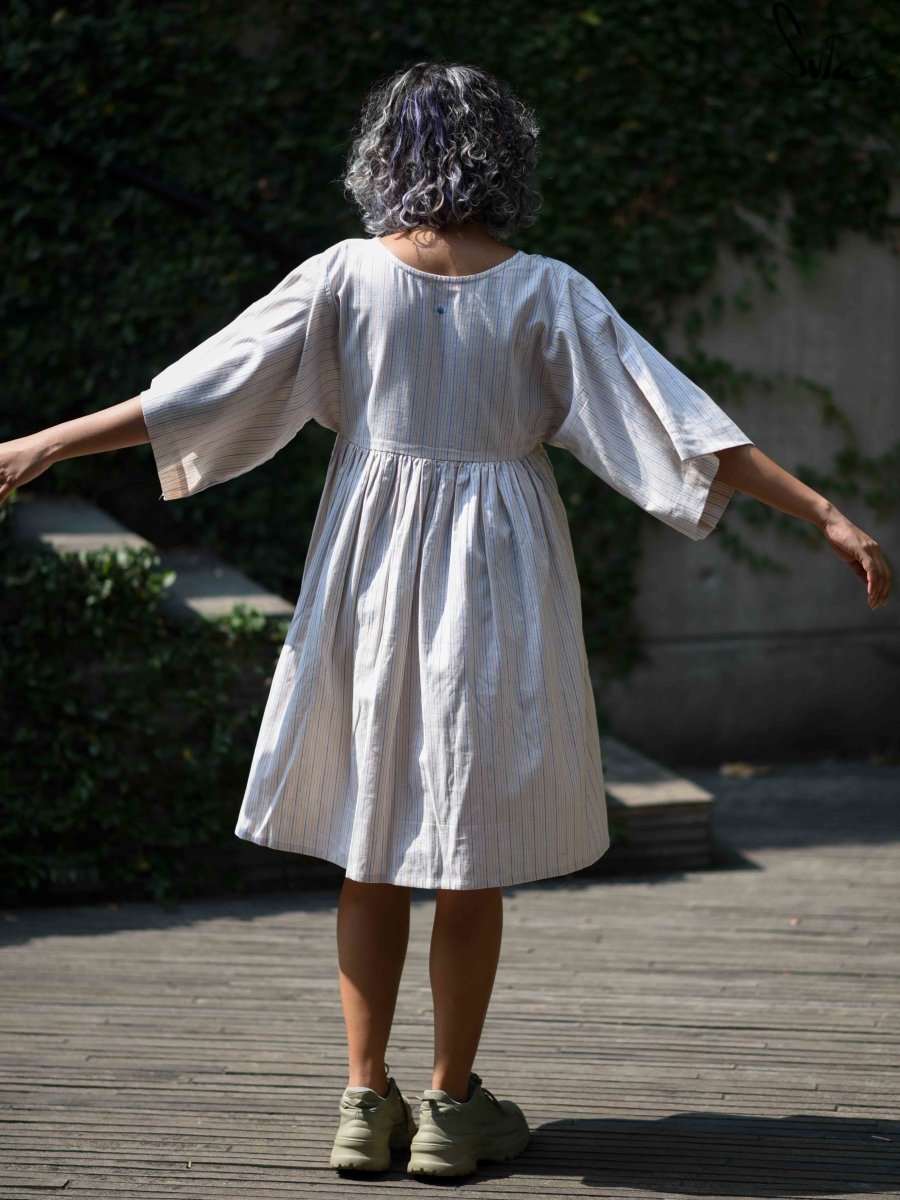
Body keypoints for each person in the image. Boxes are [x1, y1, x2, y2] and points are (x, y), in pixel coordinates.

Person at [0, 59, 892, 1180]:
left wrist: (41, 443)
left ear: (389, 156)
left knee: (372, 841)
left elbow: (197, 392)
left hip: (373, 566)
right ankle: (450, 1107)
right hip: (500, 569)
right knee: (466, 853)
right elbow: (683, 426)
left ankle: (360, 1104)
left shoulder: (340, 278)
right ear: (504, 157)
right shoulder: (549, 290)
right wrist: (824, 512)